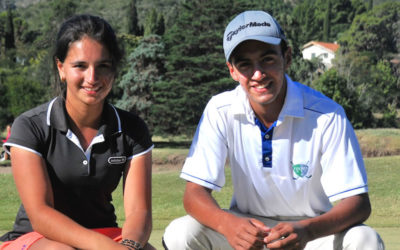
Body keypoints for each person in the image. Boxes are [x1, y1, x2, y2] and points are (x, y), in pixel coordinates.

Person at [163, 10, 384, 250]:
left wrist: (307, 230)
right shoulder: (220, 109)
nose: (258, 74)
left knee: (365, 239)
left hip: (311, 235)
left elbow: (358, 203)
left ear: (286, 58)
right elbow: (193, 194)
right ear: (232, 71)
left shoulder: (327, 114)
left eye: (268, 59)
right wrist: (228, 225)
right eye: (245, 64)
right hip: (248, 231)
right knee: (180, 232)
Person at [0, 14, 155, 250]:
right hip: (37, 237)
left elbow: (139, 211)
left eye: (103, 66)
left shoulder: (133, 129)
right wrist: (108, 249)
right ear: (61, 68)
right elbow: (41, 215)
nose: (92, 78)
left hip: (106, 235)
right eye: (80, 66)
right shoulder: (30, 126)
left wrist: (130, 246)